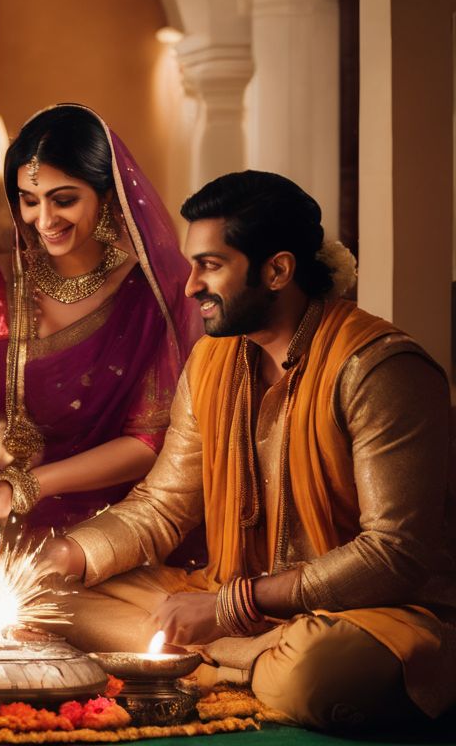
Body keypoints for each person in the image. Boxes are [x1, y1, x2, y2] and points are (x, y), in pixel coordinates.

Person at [42, 171, 456, 731]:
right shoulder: (211, 364)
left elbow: (394, 555)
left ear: (277, 270)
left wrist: (227, 610)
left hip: (370, 615)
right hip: (238, 597)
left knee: (321, 673)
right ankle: (226, 656)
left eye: (210, 265)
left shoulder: (379, 370)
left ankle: (198, 661)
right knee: (52, 597)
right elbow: (163, 505)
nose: (190, 287)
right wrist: (69, 554)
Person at [0, 104, 201, 541]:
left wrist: (19, 490)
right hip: (0, 520)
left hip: (119, 522)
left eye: (64, 200)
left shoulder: (154, 295)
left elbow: (148, 443)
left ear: (107, 194)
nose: (44, 220)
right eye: (29, 200)